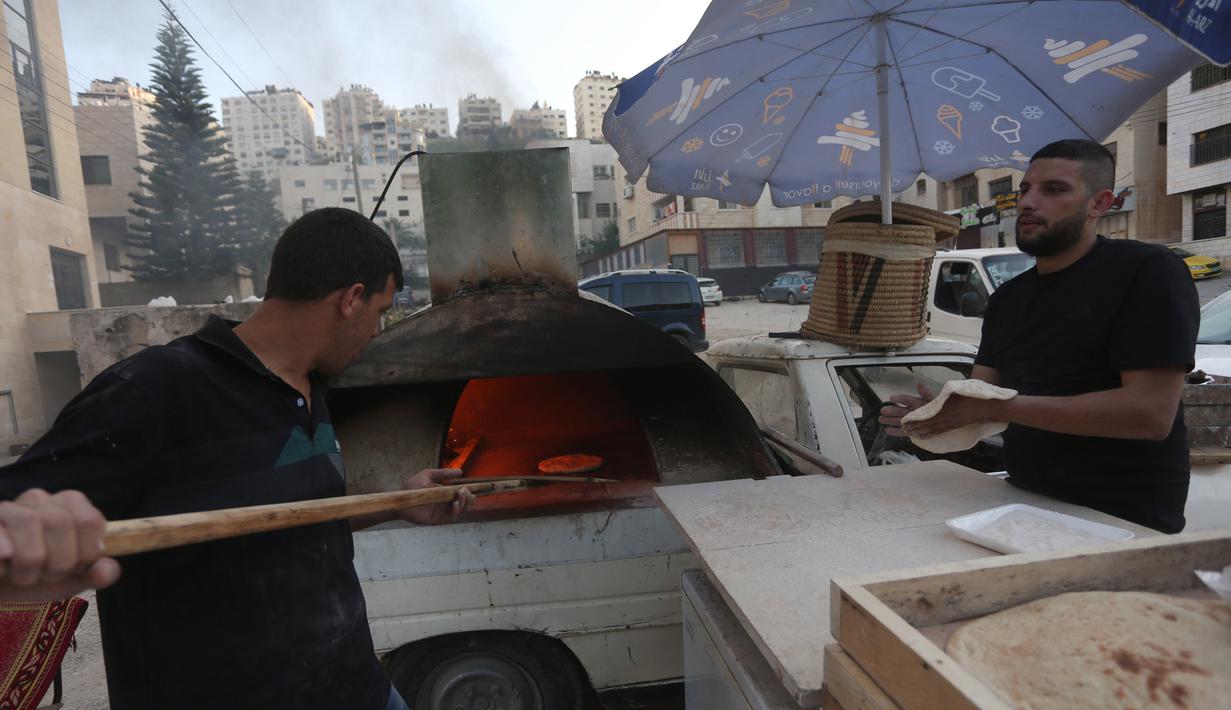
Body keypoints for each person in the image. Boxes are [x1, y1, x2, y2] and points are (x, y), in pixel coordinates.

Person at [0, 208, 475, 709]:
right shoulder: (151, 392)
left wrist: (395, 503)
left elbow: (287, 516)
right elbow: (16, 516)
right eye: (381, 312)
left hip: (358, 688)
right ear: (351, 300)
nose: (377, 332)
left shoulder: (313, 387)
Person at [881, 140, 1198, 533]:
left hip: (1123, 520)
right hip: (1024, 507)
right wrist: (941, 414)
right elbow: (983, 398)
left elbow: (1149, 414)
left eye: (1054, 189)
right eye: (1025, 189)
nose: (1029, 202)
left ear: (1099, 203)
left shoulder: (1146, 272)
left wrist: (995, 409)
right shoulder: (1007, 299)